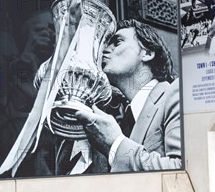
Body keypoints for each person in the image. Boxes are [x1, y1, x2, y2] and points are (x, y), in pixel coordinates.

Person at [75, 19, 182, 172]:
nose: (104, 50)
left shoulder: (176, 93)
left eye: (117, 42)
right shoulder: (119, 120)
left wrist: (115, 144)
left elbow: (181, 171)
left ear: (147, 53)